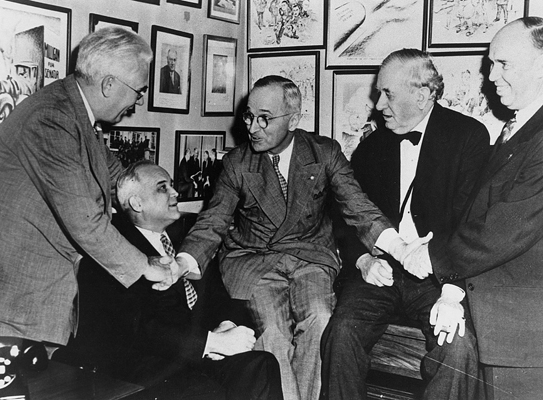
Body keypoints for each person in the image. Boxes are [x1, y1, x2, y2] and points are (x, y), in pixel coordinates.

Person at [174, 75, 427, 400]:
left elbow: (358, 207)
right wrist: (184, 259)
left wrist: (400, 248)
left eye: (265, 118)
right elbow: (214, 219)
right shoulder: (238, 163)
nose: (252, 127)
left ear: (293, 119)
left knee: (320, 320)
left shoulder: (324, 153)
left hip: (311, 257)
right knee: (274, 333)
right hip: (254, 261)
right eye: (249, 116)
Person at [321, 49, 490, 400]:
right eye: (378, 93)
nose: (379, 104)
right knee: (340, 334)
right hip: (378, 271)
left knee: (457, 348)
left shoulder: (468, 137)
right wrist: (363, 260)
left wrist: (450, 289)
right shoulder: (371, 148)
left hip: (439, 277)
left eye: (388, 94)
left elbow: (470, 224)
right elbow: (347, 216)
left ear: (423, 93)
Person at [0, 27, 180, 348]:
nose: (137, 103)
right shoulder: (51, 118)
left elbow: (119, 179)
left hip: (42, 291)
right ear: (109, 85)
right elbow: (85, 219)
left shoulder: (76, 115)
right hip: (16, 297)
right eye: (139, 91)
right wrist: (145, 266)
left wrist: (154, 198)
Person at [55, 160, 284, 400]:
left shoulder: (188, 240)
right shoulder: (114, 250)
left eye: (172, 186)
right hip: (143, 362)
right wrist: (211, 343)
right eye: (162, 188)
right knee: (204, 391)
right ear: (137, 203)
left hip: (195, 354)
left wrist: (228, 325)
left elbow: (218, 295)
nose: (176, 193)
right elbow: (139, 328)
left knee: (260, 365)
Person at [403, 17, 543, 399]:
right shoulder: (517, 128)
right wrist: (452, 291)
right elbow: (476, 211)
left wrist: (432, 256)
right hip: (489, 315)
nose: (491, 76)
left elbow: (506, 227)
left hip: (522, 334)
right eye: (491, 64)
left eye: (503, 64)